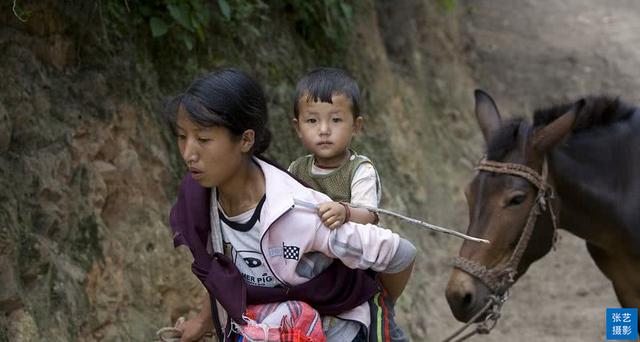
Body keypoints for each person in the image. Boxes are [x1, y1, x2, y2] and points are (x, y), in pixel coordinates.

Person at [165, 68, 416, 342]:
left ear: (246, 139)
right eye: (182, 137)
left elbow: (400, 253)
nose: (189, 153)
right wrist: (203, 321)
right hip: (264, 328)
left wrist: (384, 307)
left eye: (203, 139)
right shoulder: (199, 200)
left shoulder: (300, 213)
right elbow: (223, 270)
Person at [289, 68, 414, 341]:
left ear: (356, 126)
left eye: (336, 120)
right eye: (312, 120)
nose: (323, 130)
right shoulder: (296, 169)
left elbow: (369, 214)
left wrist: (345, 211)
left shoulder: (359, 169)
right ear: (297, 127)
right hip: (311, 262)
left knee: (380, 321)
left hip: (354, 264)